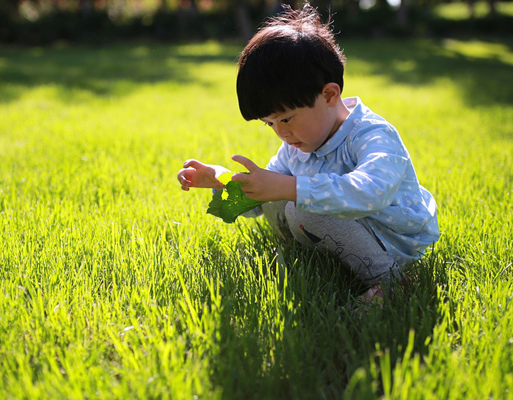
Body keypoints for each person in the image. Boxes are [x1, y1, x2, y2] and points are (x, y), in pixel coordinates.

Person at [176, 3, 439, 304]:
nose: (281, 133)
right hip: (346, 229)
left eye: (286, 119)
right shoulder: (297, 143)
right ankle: (304, 254)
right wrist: (222, 178)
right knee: (278, 197)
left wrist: (289, 188)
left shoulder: (372, 135)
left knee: (297, 204)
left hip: (393, 239)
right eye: (270, 124)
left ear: (329, 95)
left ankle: (391, 280)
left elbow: (371, 192)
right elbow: (264, 194)